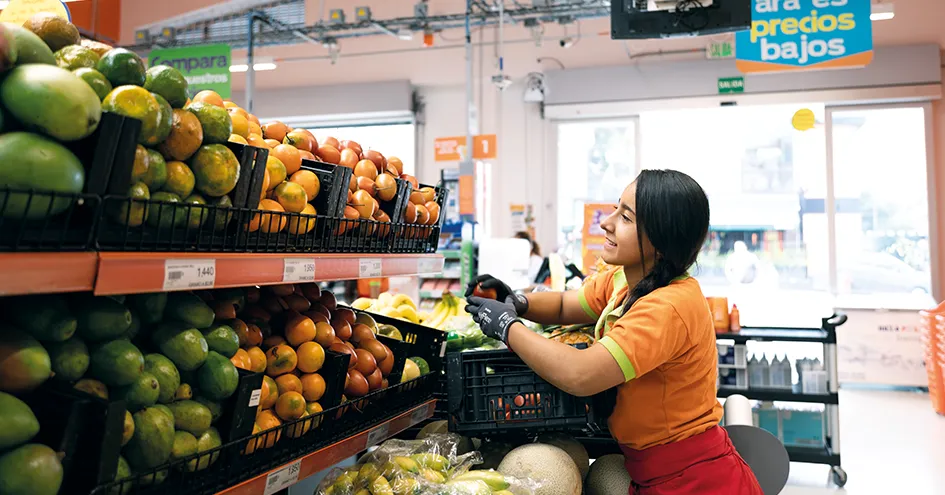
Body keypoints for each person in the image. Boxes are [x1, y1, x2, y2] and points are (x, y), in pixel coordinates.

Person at [465, 169, 762, 495]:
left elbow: (581, 373)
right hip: (652, 470)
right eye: (616, 209)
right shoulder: (627, 279)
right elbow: (568, 305)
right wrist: (518, 300)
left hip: (695, 480)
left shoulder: (668, 307)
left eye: (626, 217)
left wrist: (507, 326)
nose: (607, 222)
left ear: (660, 240)